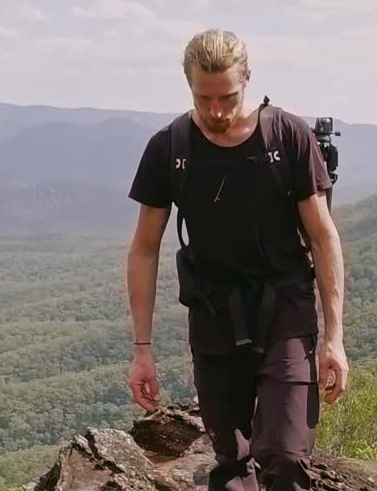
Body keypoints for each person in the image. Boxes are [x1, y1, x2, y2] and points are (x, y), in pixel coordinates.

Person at [125, 28, 349, 491]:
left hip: (286, 310)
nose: (216, 111)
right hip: (214, 315)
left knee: (284, 458)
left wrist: (334, 339)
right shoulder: (170, 148)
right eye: (203, 98)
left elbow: (324, 239)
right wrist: (141, 350)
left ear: (247, 79)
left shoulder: (287, 135)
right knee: (232, 465)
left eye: (227, 96)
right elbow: (144, 249)